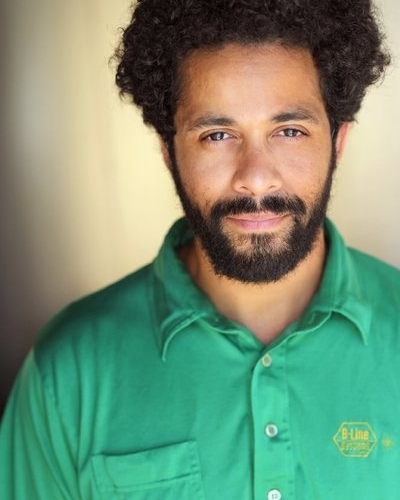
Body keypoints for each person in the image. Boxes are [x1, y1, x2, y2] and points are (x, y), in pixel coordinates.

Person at [1, 0, 399, 498]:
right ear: (169, 152)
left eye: (289, 131)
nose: (256, 177)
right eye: (217, 135)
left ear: (337, 142)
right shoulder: (68, 372)